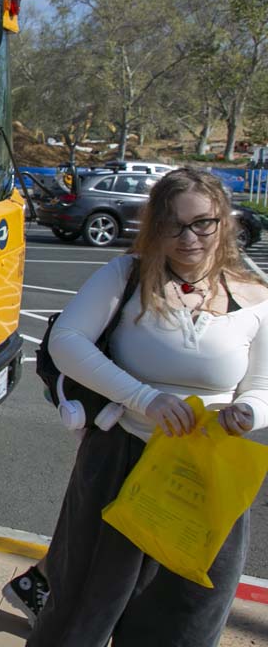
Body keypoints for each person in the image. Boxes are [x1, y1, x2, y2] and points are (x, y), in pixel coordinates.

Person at [27, 167, 268, 646]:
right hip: (122, 458)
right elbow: (67, 341)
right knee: (86, 598)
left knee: (186, 608)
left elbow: (262, 383)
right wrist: (145, 399)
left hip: (205, 472)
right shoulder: (127, 274)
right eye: (173, 225)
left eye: (202, 223)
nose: (188, 238)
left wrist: (250, 412)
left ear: (224, 222)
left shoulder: (255, 296)